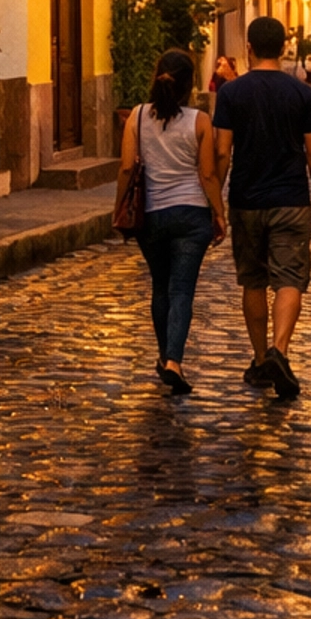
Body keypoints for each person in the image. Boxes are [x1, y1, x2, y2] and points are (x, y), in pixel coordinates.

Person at [214, 15, 311, 400]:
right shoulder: (302, 94)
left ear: (248, 47)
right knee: (289, 279)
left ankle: (261, 356)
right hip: (291, 200)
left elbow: (221, 152)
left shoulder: (232, 94)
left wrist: (214, 200)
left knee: (252, 280)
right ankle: (279, 350)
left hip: (246, 200)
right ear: (284, 48)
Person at [118, 48, 226, 395]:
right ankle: (173, 361)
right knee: (181, 290)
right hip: (191, 215)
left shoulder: (136, 117)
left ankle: (165, 355)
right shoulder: (199, 121)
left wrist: (118, 208)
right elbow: (208, 173)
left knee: (160, 286)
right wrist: (219, 213)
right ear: (189, 84)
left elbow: (125, 168)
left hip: (151, 216)